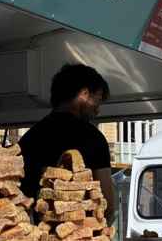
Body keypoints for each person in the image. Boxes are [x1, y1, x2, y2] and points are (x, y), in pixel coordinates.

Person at [19, 64, 115, 208]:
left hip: (34, 227)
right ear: (84, 94)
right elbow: (107, 204)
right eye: (98, 100)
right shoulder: (93, 138)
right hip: (82, 227)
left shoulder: (30, 138)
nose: (98, 110)